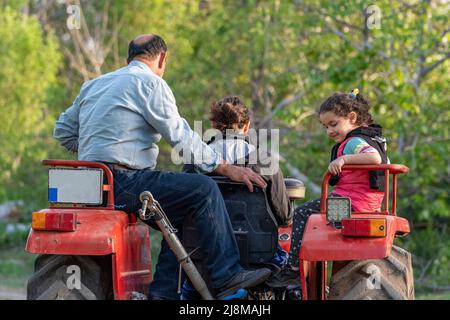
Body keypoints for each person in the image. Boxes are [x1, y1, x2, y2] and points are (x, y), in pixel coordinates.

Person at [53, 34, 272, 300]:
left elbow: (63, 131)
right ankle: (227, 275)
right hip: (127, 181)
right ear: (162, 58)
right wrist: (226, 168)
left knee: (174, 218)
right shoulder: (150, 83)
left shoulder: (94, 85)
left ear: (128, 57)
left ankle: (163, 294)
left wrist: (98, 146)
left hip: (90, 182)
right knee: (203, 189)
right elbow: (180, 136)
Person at [267, 88, 389, 288]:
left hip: (347, 205)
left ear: (352, 117)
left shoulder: (354, 142)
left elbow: (374, 159)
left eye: (334, 124)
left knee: (301, 214)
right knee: (315, 221)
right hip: (368, 206)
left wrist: (343, 159)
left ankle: (293, 269)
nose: (329, 131)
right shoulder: (374, 138)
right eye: (325, 126)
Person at [184, 95, 292, 227]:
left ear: (213, 125)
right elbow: (284, 218)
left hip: (202, 245)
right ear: (246, 126)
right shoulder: (266, 161)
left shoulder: (194, 161)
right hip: (255, 245)